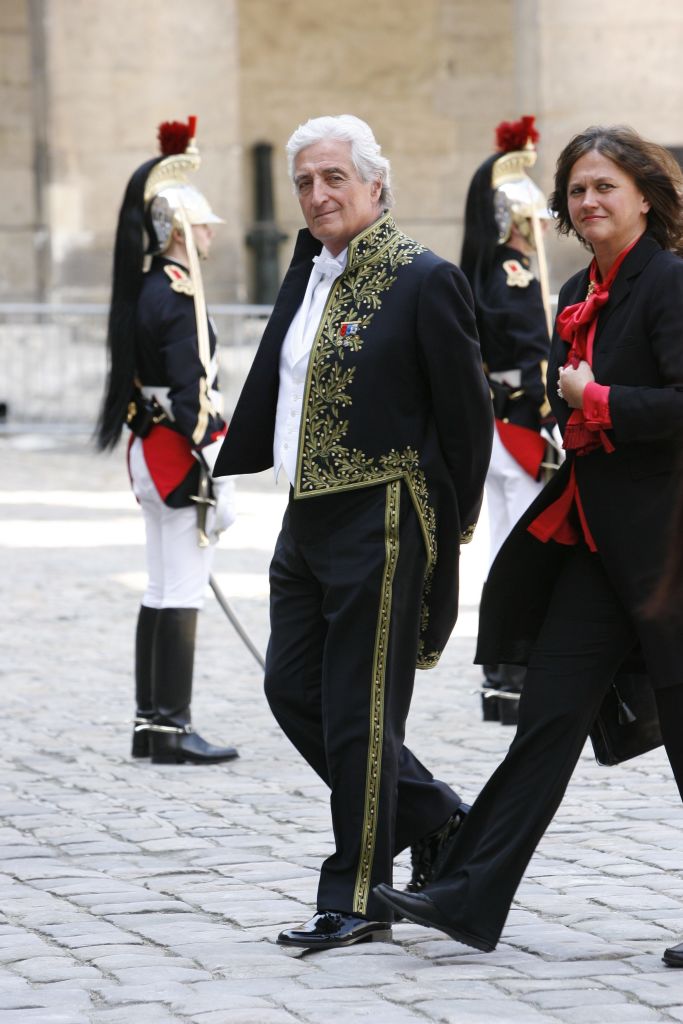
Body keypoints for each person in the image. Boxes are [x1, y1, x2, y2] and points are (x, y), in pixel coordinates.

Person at [373, 125, 683, 965]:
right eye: (576, 189)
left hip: (664, 550)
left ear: (645, 198)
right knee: (547, 718)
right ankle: (466, 896)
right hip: (593, 542)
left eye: (603, 187)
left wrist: (602, 400)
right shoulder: (580, 285)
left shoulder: (668, 284)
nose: (586, 202)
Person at [213, 115, 493, 951]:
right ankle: (438, 817)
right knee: (290, 688)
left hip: (382, 514)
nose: (317, 194)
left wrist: (447, 524)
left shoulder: (422, 278)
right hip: (304, 516)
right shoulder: (309, 273)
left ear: (375, 183)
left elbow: (466, 415)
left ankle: (357, 895)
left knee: (359, 717)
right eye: (304, 181)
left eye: (333, 177)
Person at [96, 117, 239, 765]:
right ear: (181, 231)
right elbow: (194, 399)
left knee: (158, 588)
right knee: (180, 588)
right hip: (178, 456)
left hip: (147, 451)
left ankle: (149, 724)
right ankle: (173, 728)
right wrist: (218, 465)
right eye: (203, 225)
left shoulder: (148, 290)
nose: (210, 235)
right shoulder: (178, 296)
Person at [460, 115, 556, 725]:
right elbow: (533, 356)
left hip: (496, 427)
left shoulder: (489, 270)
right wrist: (552, 416)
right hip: (522, 425)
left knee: (502, 549)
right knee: (521, 553)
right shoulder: (516, 275)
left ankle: (501, 681)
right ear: (517, 219)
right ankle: (514, 677)